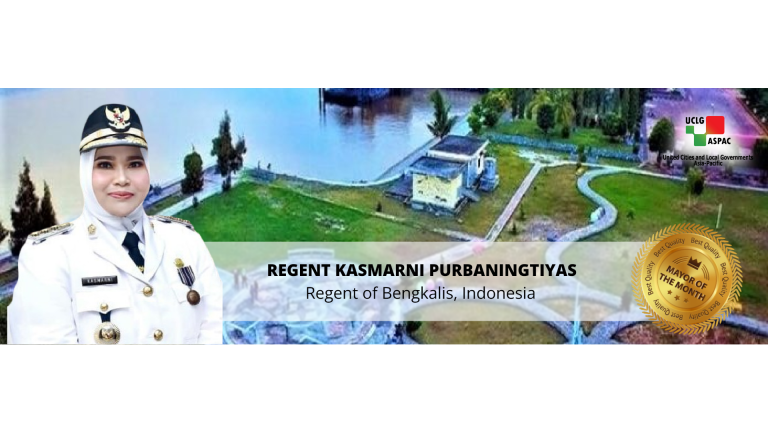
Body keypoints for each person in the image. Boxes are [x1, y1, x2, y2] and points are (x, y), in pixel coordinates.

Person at [7, 104, 223, 344]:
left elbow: (211, 328)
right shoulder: (49, 258)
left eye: (134, 164)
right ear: (85, 172)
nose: (122, 178)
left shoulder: (186, 241)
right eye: (105, 165)